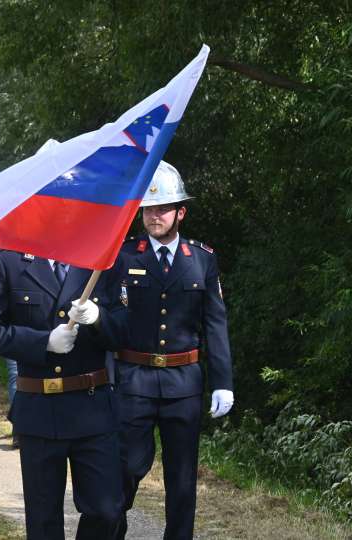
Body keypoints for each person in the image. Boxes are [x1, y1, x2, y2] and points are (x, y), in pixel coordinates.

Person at [114, 162, 234, 540]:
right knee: (127, 468)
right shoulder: (124, 256)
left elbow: (214, 323)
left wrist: (222, 381)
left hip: (184, 383)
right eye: (148, 209)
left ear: (180, 212)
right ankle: (112, 532)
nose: (154, 216)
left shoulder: (201, 258)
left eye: (163, 208)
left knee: (182, 479)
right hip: (134, 380)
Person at [0, 248, 127, 538]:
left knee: (107, 510)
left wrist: (99, 318)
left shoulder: (102, 255)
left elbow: (124, 332)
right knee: (44, 520)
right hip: (40, 409)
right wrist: (43, 342)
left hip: (92, 407)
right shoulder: (9, 260)